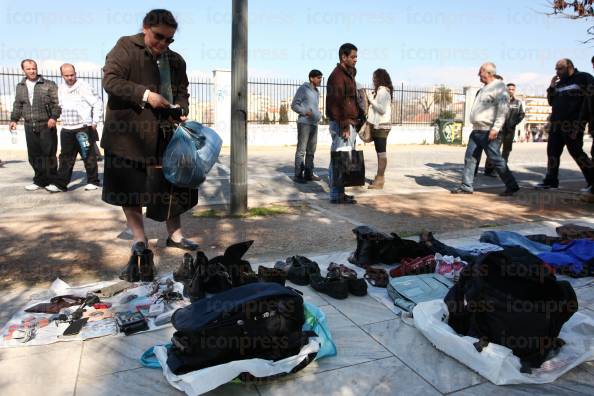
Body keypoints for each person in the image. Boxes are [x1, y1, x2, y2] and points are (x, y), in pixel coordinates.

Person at [101, 9, 199, 254]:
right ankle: (139, 239)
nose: (163, 44)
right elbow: (111, 81)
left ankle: (175, 235)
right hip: (128, 134)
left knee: (172, 187)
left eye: (169, 39)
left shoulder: (176, 60)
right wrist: (145, 95)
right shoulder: (126, 46)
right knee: (130, 188)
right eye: (159, 37)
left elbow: (182, 91)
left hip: (166, 134)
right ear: (145, 28)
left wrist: (182, 107)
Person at [451, 62, 520, 196]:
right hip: (476, 130)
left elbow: (503, 111)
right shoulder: (484, 88)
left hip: (489, 130)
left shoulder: (499, 88)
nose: (478, 74)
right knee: (470, 158)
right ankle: (466, 186)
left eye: (480, 72)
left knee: (496, 159)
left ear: (488, 73)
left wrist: (496, 129)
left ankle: (512, 185)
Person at [535, 58, 594, 194]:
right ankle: (551, 180)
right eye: (556, 69)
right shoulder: (559, 83)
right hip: (556, 125)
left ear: (569, 67)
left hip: (573, 124)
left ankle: (592, 181)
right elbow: (551, 102)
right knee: (552, 153)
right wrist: (551, 87)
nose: (557, 72)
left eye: (560, 68)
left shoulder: (583, 78)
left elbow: (589, 102)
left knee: (577, 153)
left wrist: (580, 124)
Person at [45, 63, 103, 193]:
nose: (70, 78)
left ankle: (93, 181)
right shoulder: (60, 88)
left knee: (88, 155)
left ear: (75, 73)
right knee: (65, 158)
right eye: (66, 75)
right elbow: (59, 106)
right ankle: (61, 185)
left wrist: (94, 122)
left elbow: (98, 102)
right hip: (66, 129)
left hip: (83, 128)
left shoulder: (84, 86)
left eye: (72, 75)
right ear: (62, 75)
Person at [9, 59, 61, 191]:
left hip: (46, 124)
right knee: (34, 155)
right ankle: (39, 180)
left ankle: (52, 181)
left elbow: (57, 104)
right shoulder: (20, 86)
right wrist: (14, 119)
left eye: (34, 68)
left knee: (48, 154)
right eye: (28, 69)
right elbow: (18, 104)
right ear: (23, 70)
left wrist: (54, 117)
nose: (32, 71)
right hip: (29, 125)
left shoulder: (49, 84)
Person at [326, 43, 359, 204]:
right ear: (343, 57)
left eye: (356, 57)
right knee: (339, 159)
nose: (355, 59)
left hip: (348, 123)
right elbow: (337, 103)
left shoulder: (347, 75)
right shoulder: (337, 76)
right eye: (353, 57)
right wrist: (345, 125)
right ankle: (336, 194)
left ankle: (340, 192)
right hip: (342, 124)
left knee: (344, 159)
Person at [484, 83, 525, 176]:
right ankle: (489, 169)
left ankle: (502, 170)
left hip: (510, 131)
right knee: (494, 149)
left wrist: (514, 123)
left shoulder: (518, 102)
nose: (510, 91)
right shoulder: (500, 100)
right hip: (499, 130)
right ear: (506, 90)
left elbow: (521, 115)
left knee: (506, 150)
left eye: (512, 89)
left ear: (514, 90)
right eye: (509, 89)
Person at [290, 69, 323, 183]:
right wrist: (305, 112)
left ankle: (309, 174)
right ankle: (298, 175)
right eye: (318, 78)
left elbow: (314, 107)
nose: (320, 80)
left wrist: (318, 115)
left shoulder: (317, 92)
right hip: (304, 123)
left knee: (311, 151)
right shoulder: (303, 89)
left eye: (321, 78)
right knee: (301, 150)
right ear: (311, 78)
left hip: (314, 123)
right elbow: (294, 105)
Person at [366, 68, 393, 189]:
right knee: (380, 153)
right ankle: (379, 177)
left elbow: (382, 109)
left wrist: (371, 100)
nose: (373, 80)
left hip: (381, 126)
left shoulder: (383, 91)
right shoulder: (383, 91)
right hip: (380, 125)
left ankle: (380, 179)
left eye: (374, 78)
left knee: (381, 154)